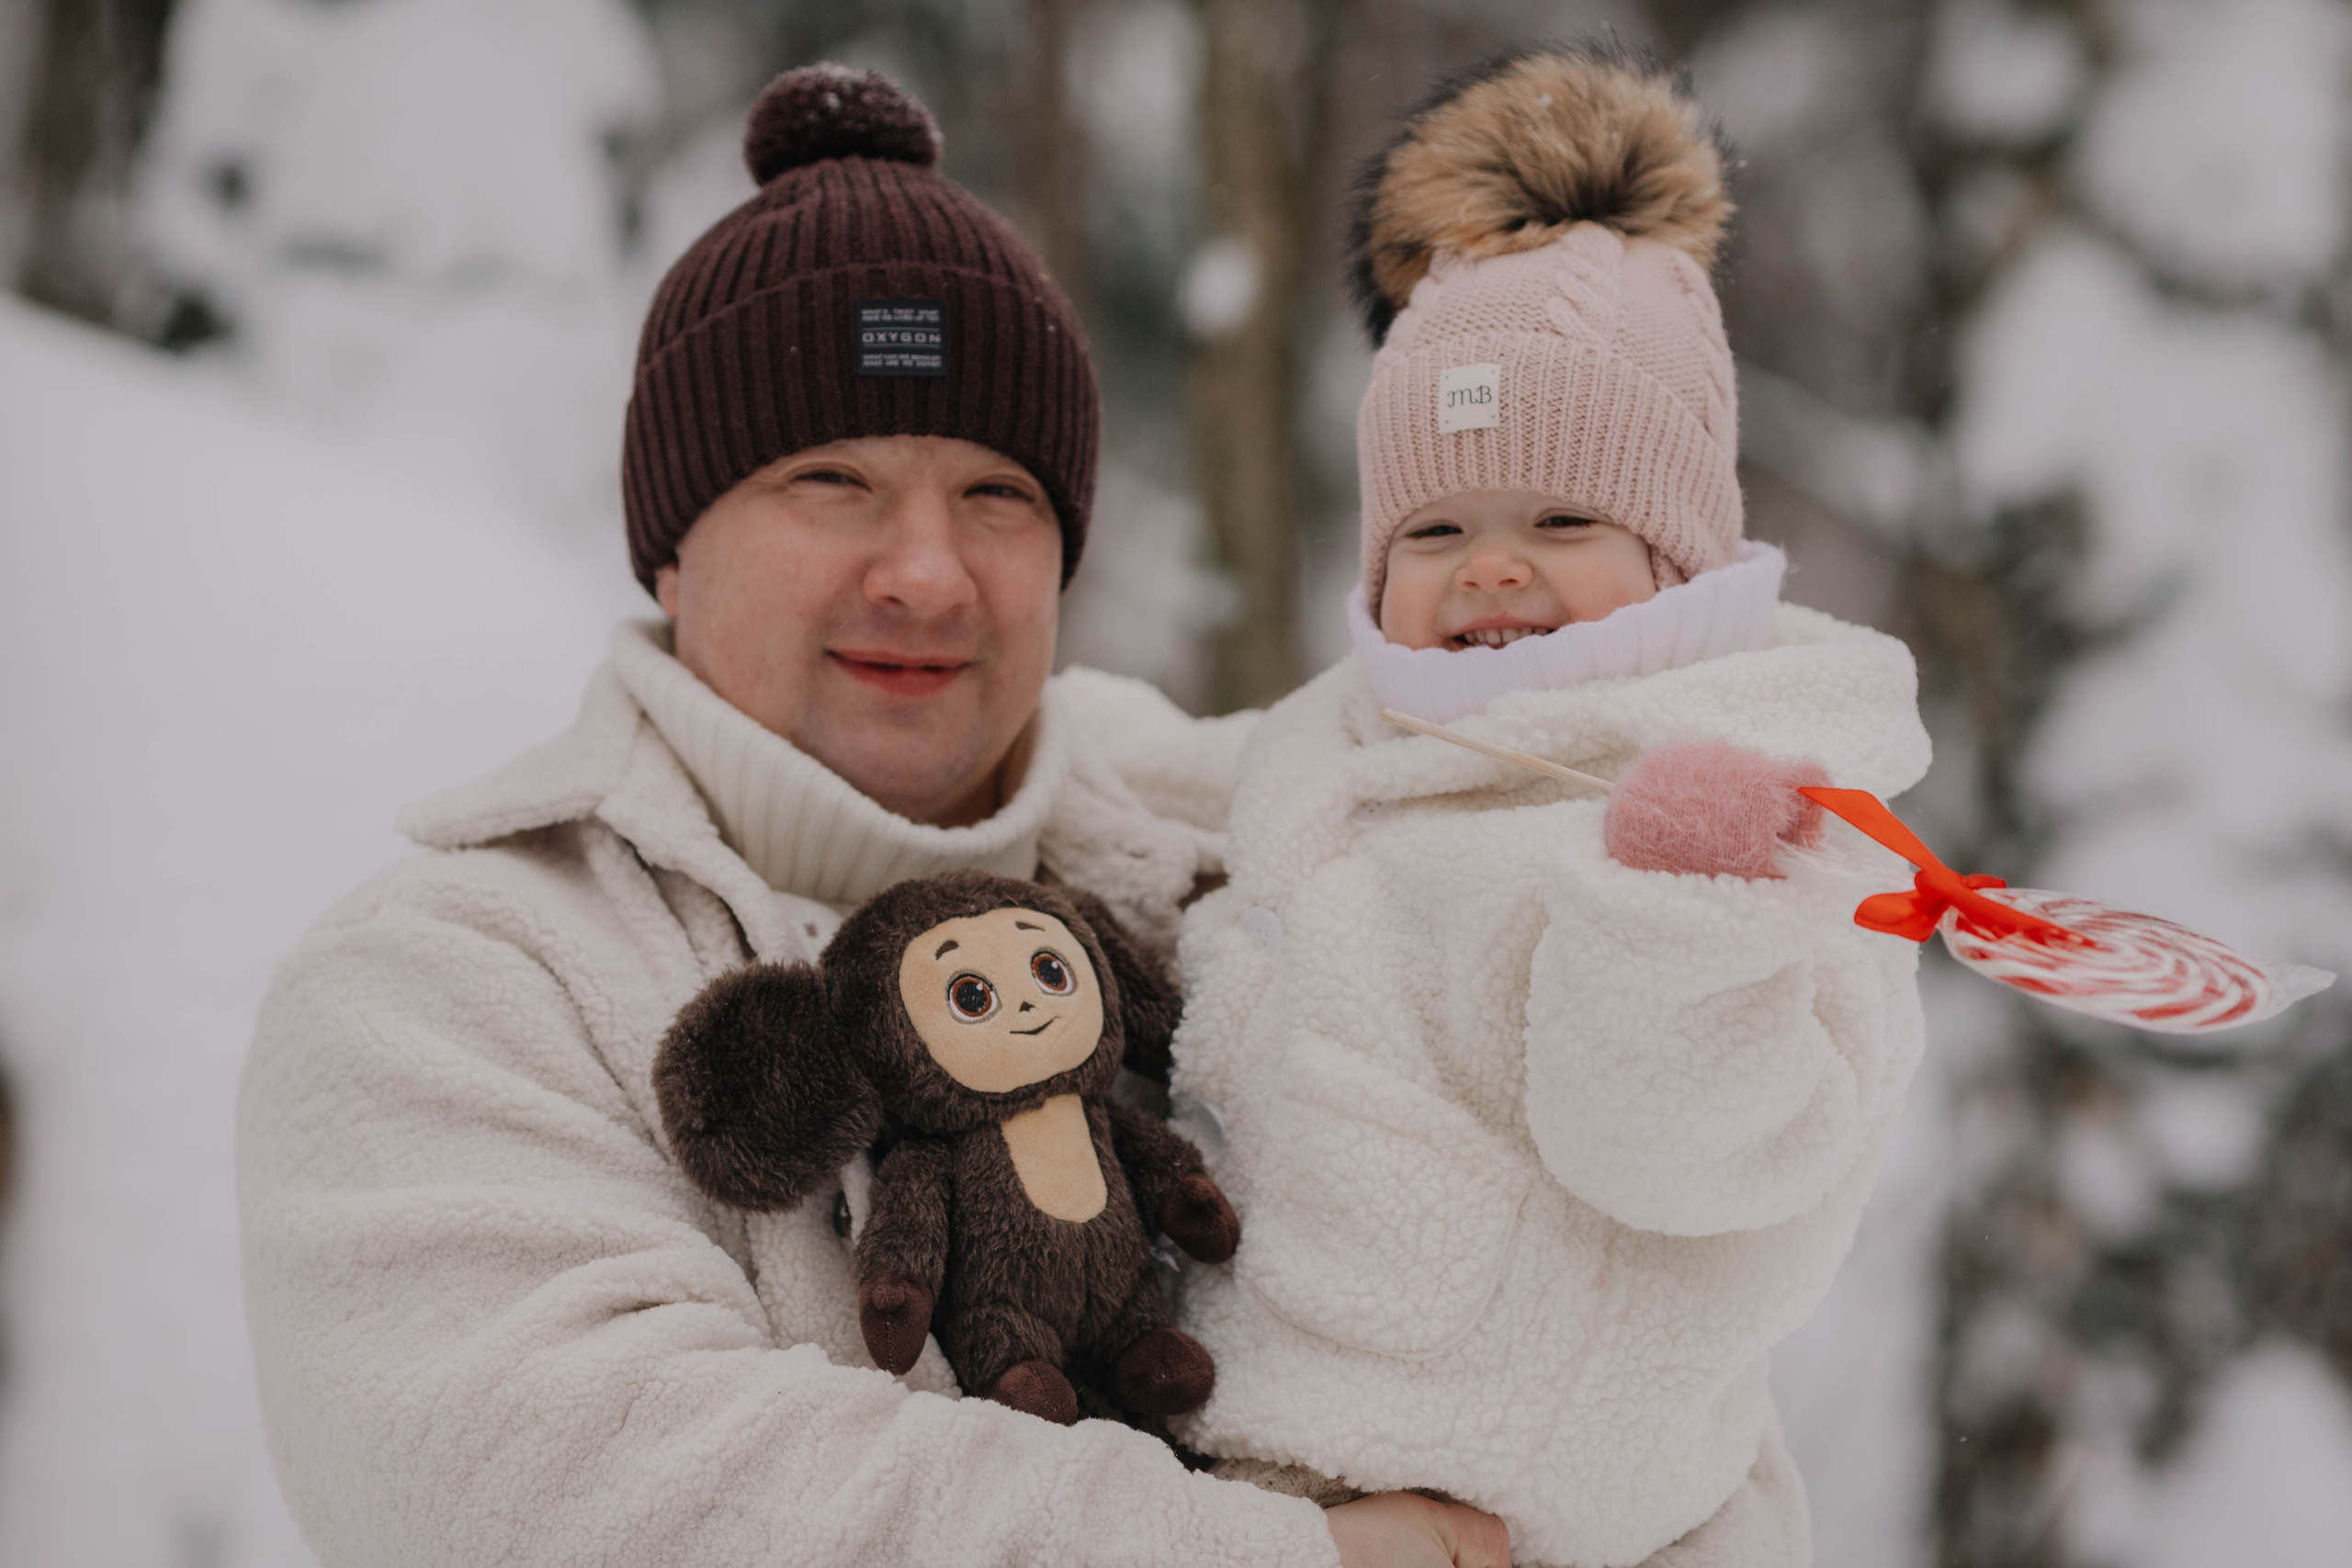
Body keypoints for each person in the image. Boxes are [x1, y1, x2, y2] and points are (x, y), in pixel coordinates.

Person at [237, 64, 1509, 1568]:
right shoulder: (453, 978)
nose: (927, 574)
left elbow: (1642, 1418)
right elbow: (557, 1494)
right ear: (671, 550)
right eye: (832, 478)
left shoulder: (1254, 911)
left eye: (997, 495)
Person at [1162, 45, 1933, 1568]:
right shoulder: (1346, 740)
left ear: (1684, 559)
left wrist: (1680, 911)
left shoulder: (1753, 800)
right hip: (1257, 1465)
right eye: (1437, 527)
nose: (1491, 567)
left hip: (1524, 1501)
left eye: (1562, 520)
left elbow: (1695, 1161)